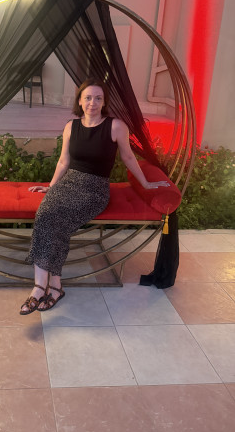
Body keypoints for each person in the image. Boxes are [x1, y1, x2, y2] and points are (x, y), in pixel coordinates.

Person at [20, 78, 169, 315]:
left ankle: (44, 287)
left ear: (104, 102)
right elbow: (64, 161)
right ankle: (48, 286)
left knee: (55, 220)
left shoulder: (115, 126)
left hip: (94, 189)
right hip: (68, 183)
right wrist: (51, 187)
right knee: (45, 214)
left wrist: (146, 183)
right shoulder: (71, 126)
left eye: (98, 98)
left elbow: (128, 158)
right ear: (80, 101)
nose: (93, 102)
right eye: (88, 98)